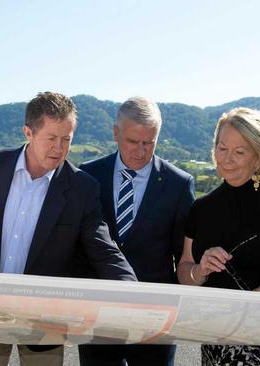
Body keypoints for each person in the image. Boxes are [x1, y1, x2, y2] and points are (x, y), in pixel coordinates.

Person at [0, 91, 137, 366]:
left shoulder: (83, 188)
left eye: (66, 140)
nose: (59, 148)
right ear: (28, 132)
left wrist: (134, 292)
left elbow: (103, 249)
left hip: (44, 326)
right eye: (51, 138)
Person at [177, 107, 260, 365]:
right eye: (222, 149)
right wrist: (200, 270)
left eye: (240, 152)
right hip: (217, 336)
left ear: (258, 157)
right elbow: (184, 271)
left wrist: (244, 313)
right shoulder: (201, 208)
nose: (227, 159)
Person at [77, 97, 195, 366]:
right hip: (98, 313)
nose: (141, 151)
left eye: (149, 143)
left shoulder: (178, 184)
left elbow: (183, 255)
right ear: (115, 133)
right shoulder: (88, 175)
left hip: (155, 316)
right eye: (133, 141)